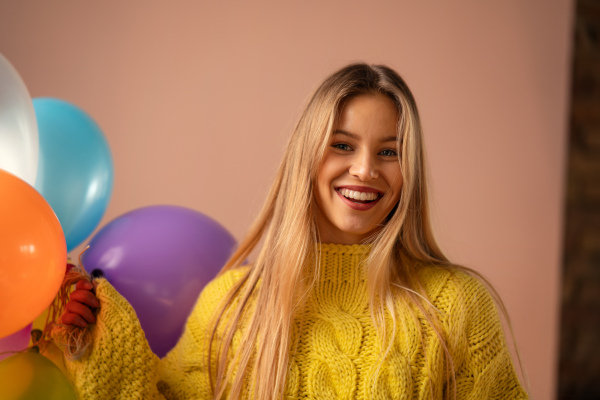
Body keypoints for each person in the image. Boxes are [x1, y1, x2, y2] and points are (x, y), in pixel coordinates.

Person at [60, 63, 529, 399]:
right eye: (342, 145)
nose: (365, 170)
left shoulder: (456, 306)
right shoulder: (231, 305)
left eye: (390, 152)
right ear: (307, 157)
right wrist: (95, 339)